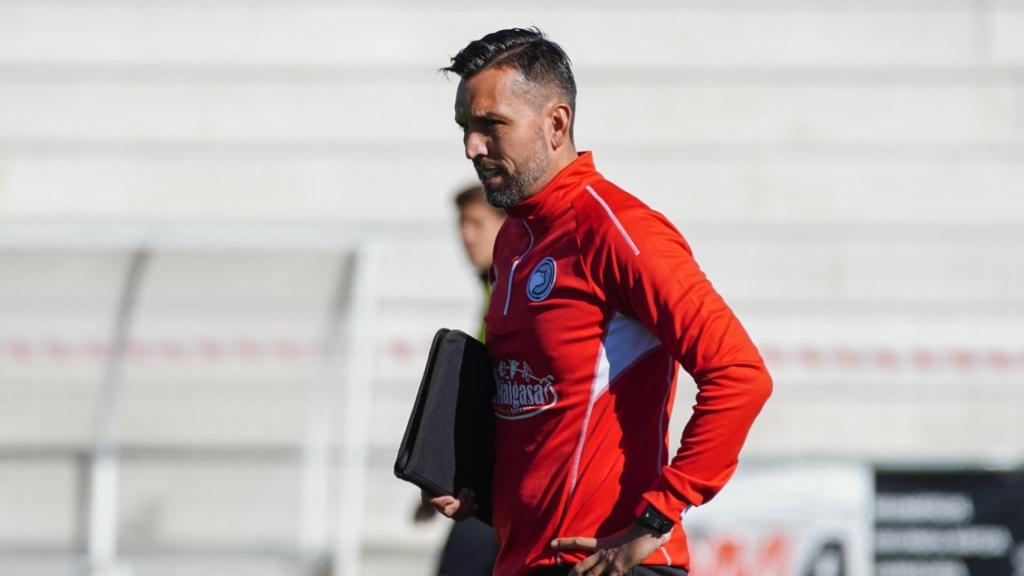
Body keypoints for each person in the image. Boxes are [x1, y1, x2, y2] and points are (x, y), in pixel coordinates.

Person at [427, 28, 773, 576]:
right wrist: (478, 485)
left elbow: (740, 375)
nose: (473, 146)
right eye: (465, 128)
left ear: (556, 123)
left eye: (491, 125)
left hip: (611, 565)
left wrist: (656, 521)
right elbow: (538, 415)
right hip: (522, 562)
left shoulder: (617, 230)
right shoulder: (512, 241)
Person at [414, 185, 505, 576]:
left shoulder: (510, 289)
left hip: (504, 479)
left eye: (476, 223)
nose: (466, 235)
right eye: (461, 224)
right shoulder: (491, 285)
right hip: (490, 479)